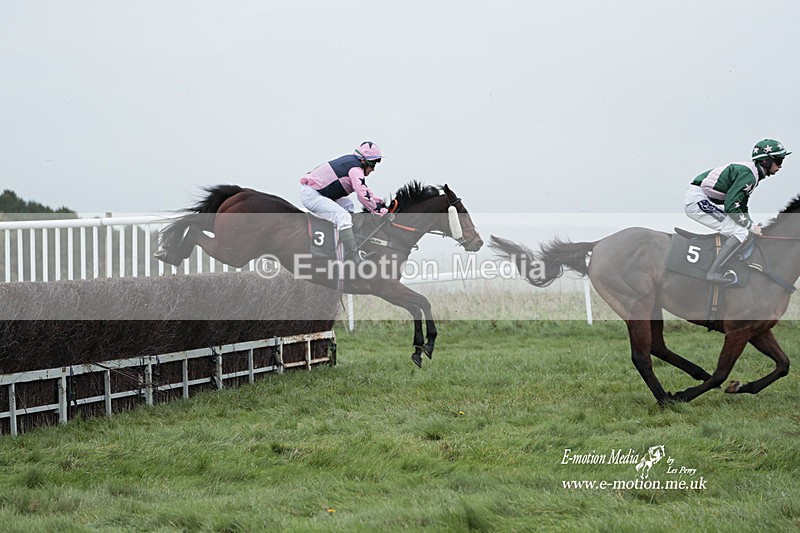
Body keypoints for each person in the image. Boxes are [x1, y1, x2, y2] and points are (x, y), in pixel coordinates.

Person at [685, 138, 791, 283]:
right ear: (766, 161)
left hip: (703, 198)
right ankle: (714, 272)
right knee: (740, 231)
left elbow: (741, 206)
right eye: (779, 161)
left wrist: (752, 225)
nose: (780, 166)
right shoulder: (749, 175)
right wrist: (750, 227)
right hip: (697, 200)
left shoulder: (753, 174)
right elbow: (731, 206)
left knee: (744, 229)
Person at [300, 141, 388, 261]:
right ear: (363, 161)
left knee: (348, 205)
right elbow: (362, 196)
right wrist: (378, 211)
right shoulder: (355, 169)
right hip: (312, 195)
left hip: (319, 193)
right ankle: (354, 255)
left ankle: (343, 242)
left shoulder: (354, 164)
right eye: (372, 164)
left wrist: (375, 200)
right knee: (344, 217)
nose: (373, 169)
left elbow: (363, 188)